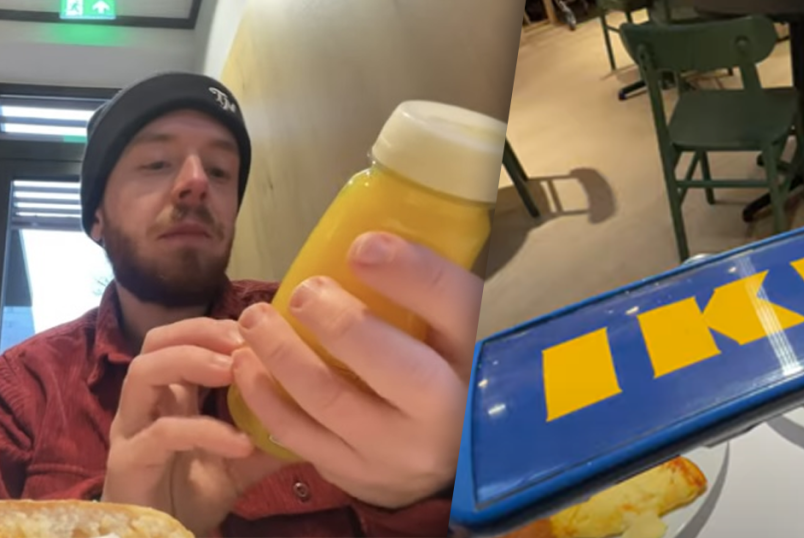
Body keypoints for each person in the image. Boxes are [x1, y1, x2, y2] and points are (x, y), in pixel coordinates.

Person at [0, 72, 480, 537]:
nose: (196, 181)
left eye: (219, 170)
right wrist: (118, 528)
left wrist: (432, 490)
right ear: (97, 218)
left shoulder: (327, 325)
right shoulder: (23, 389)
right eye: (155, 163)